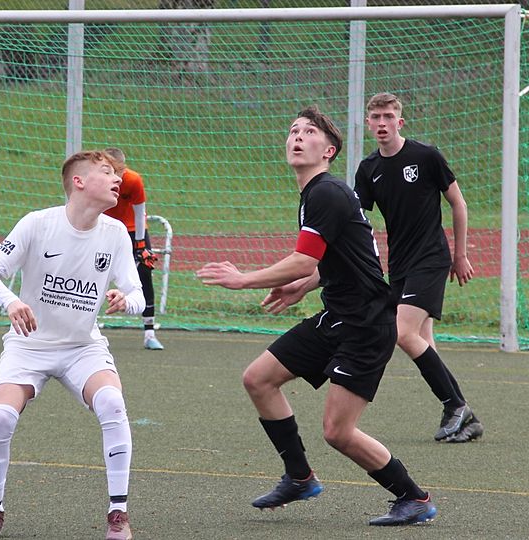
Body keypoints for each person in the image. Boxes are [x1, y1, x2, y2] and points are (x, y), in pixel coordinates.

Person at [196, 105, 437, 527]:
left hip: (366, 326)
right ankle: (299, 477)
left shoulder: (326, 192)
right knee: (258, 378)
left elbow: (302, 259)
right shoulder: (317, 194)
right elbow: (339, 258)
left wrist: (243, 279)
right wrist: (303, 285)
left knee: (338, 432)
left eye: (309, 132)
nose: (297, 137)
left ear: (328, 151)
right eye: (293, 131)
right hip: (339, 316)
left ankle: (413, 497)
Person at [0, 151, 143, 539]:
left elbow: (138, 294)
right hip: (28, 346)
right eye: (107, 172)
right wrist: (10, 301)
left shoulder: (115, 233)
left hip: (83, 347)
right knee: (0, 418)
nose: (118, 179)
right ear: (79, 182)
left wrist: (125, 301)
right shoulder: (37, 223)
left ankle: (118, 514)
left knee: (112, 403)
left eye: (118, 174)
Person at [353, 92, 483, 444]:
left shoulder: (425, 156)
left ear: (400, 122)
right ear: (368, 123)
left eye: (388, 117)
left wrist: (460, 255)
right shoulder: (368, 169)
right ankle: (463, 415)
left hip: (431, 258)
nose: (382, 123)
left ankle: (455, 406)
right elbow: (358, 219)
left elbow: (458, 203)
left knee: (401, 332)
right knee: (423, 340)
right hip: (400, 265)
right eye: (376, 117)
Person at [103, 147, 164, 351]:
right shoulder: (98, 181)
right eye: (109, 171)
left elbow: (140, 213)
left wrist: (140, 245)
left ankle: (149, 333)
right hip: (105, 229)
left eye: (118, 171)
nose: (115, 176)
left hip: (132, 230)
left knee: (144, 273)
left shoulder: (133, 180)